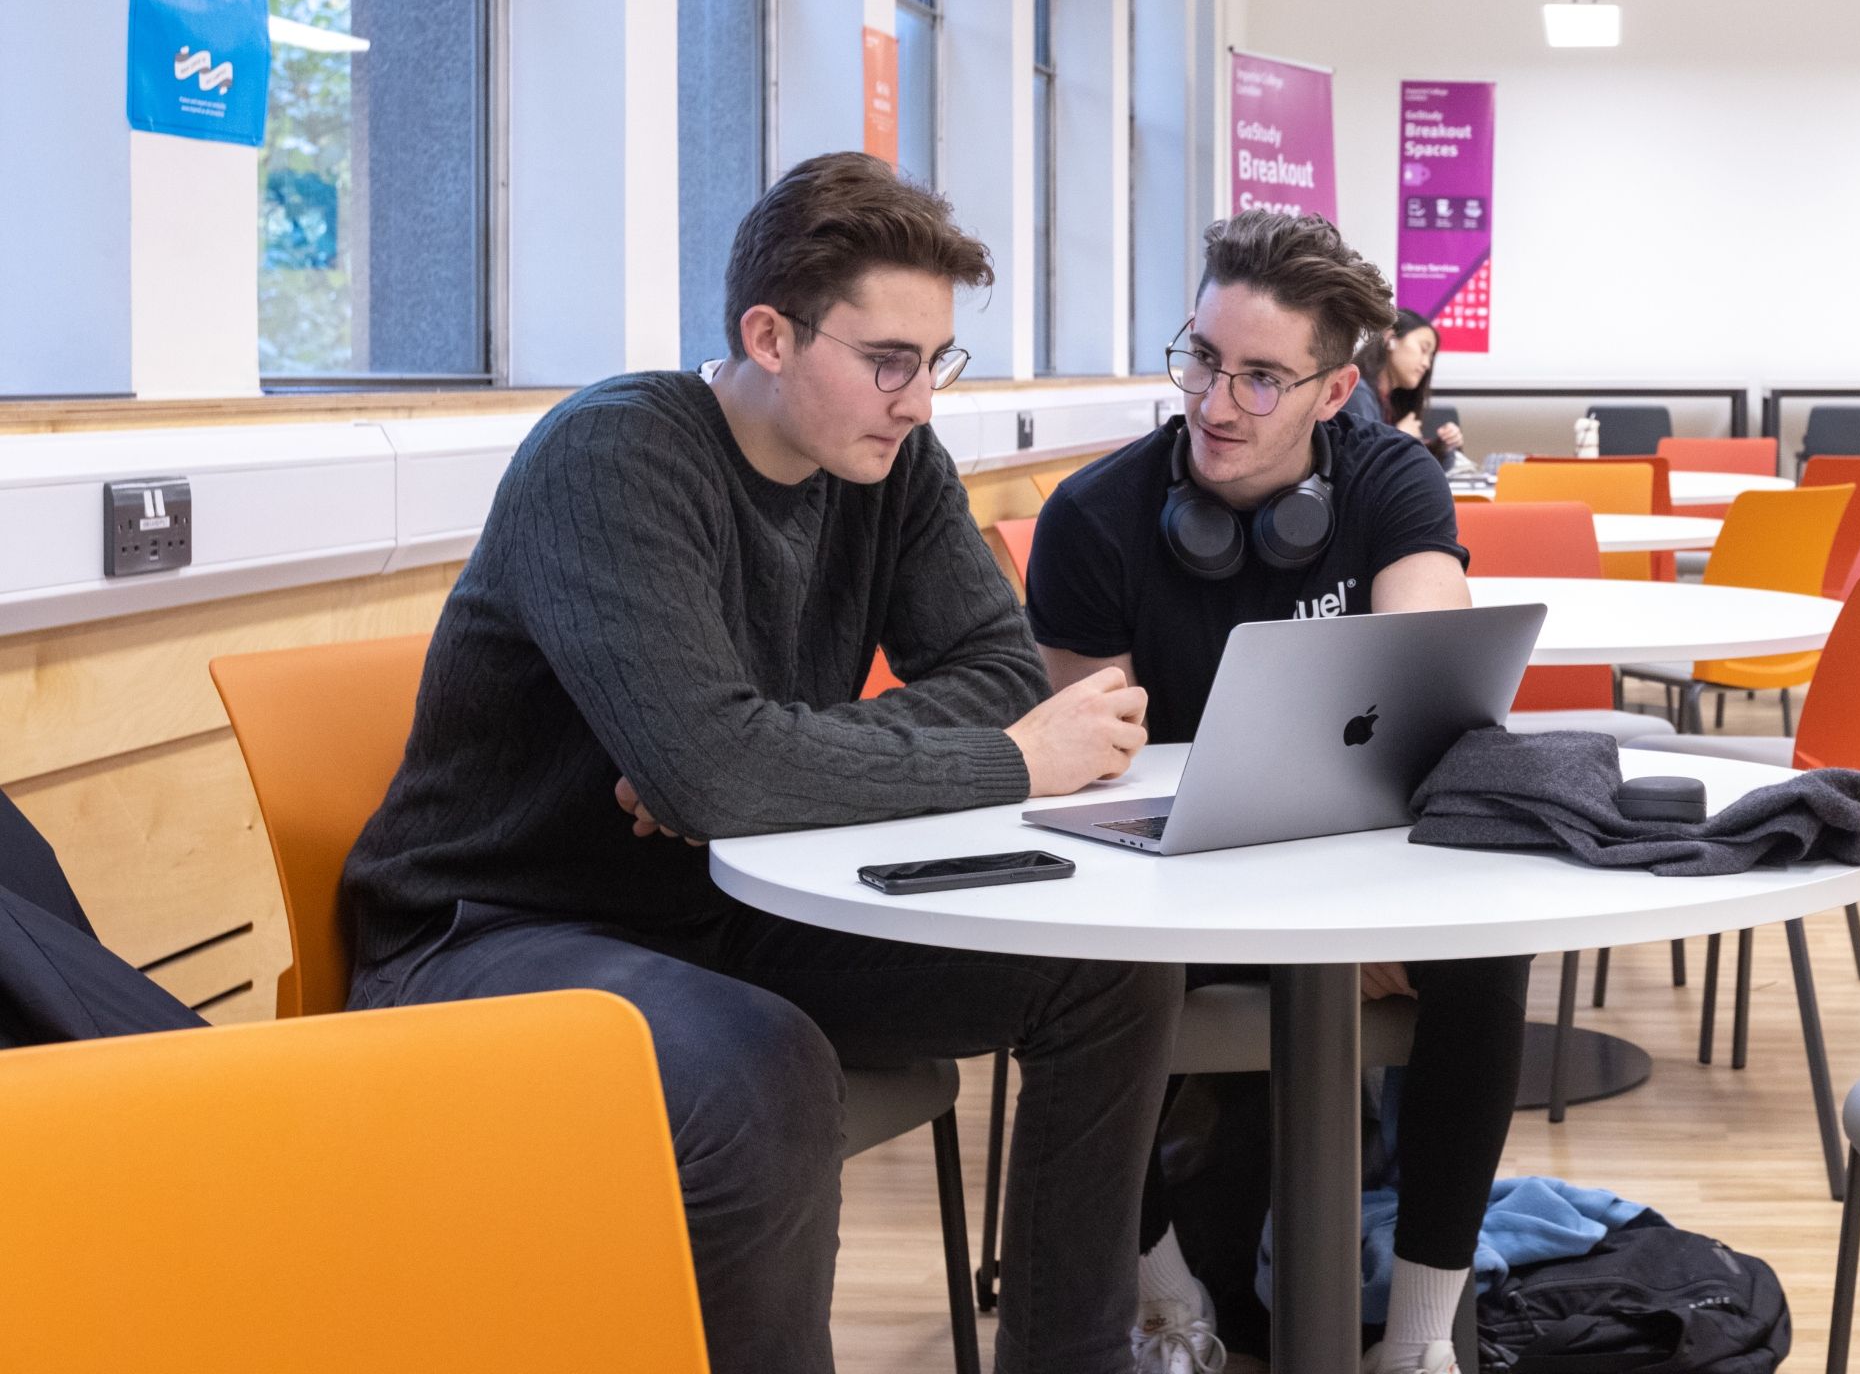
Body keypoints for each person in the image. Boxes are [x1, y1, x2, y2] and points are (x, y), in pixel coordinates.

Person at [342, 153, 1182, 1374]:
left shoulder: (890, 465)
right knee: (765, 1062)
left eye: (936, 362)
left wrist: (766, 752)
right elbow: (731, 773)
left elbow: (999, 675)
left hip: (734, 900)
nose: (918, 400)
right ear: (770, 333)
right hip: (489, 929)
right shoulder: (612, 457)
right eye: (889, 360)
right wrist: (975, 766)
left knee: (1102, 971)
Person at [1026, 212, 1523, 1374]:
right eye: (1201, 357)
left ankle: (1417, 1338)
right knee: (1075, 977)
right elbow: (1092, 771)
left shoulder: (1392, 479)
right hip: (1168, 888)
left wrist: (1353, 918)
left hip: (1346, 871)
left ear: (1337, 388)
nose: (1215, 401)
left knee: (1492, 947)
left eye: (1260, 375)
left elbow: (1433, 700)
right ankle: (1162, 1299)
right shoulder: (1094, 520)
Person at [1359, 306, 1464, 462]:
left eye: (1431, 357)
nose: (1427, 364)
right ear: (1390, 340)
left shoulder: (1392, 403)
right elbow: (1358, 465)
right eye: (1423, 349)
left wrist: (1443, 448)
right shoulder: (1358, 392)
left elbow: (1413, 470)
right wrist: (1399, 436)